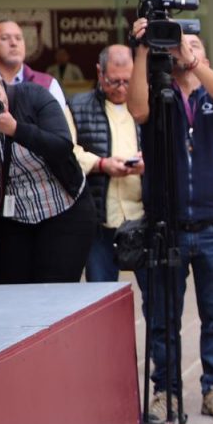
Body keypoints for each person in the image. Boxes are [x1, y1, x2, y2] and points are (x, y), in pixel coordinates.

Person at [128, 18, 213, 424]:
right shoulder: (160, 93)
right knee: (163, 317)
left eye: (192, 44)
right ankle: (165, 392)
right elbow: (137, 109)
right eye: (176, 44)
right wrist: (143, 49)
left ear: (204, 56)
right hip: (168, 225)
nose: (182, 49)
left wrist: (194, 64)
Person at [0, 59, 94, 284]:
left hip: (64, 209)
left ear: (4, 84)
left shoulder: (33, 96)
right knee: (16, 291)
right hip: (13, 218)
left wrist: (14, 129)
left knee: (54, 289)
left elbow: (62, 146)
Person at [67, 44, 144, 282]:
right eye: (113, 81)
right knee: (100, 294)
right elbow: (67, 152)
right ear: (100, 73)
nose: (121, 88)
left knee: (155, 299)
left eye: (127, 81)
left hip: (143, 216)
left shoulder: (147, 105)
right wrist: (101, 164)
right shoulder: (77, 106)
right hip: (99, 218)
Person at [0, 20, 67, 111]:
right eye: (5, 38)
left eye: (18, 38)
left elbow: (58, 124)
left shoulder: (48, 84)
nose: (14, 43)